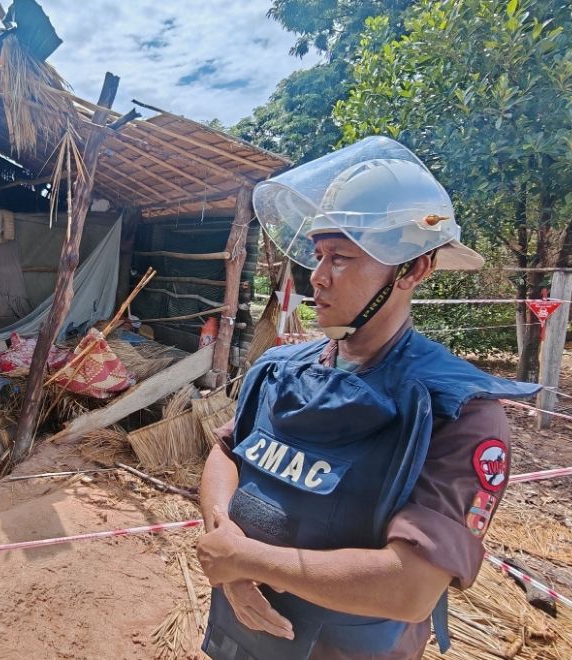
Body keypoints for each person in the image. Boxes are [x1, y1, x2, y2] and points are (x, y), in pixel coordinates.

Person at [196, 136, 539, 660]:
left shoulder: (456, 413)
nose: (319, 277)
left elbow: (411, 587)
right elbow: (225, 452)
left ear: (414, 269)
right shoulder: (276, 371)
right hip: (241, 633)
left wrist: (248, 561)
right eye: (318, 255)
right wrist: (225, 548)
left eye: (343, 257)